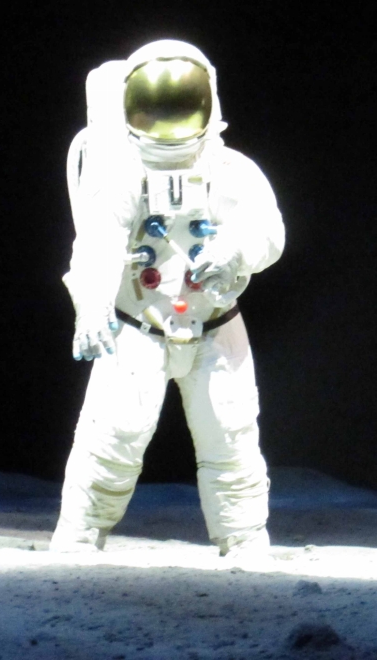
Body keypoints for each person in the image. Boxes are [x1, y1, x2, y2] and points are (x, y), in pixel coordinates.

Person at [51, 39, 284, 559]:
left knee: (231, 435)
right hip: (138, 325)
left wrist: (234, 250)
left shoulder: (231, 171)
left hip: (216, 322)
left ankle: (245, 540)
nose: (169, 120)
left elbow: (268, 231)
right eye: (155, 107)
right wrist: (92, 307)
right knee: (114, 434)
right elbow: (97, 246)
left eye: (182, 105)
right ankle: (80, 537)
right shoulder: (121, 175)